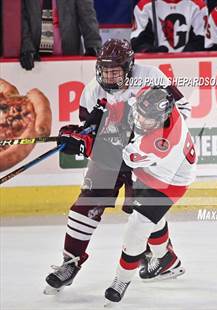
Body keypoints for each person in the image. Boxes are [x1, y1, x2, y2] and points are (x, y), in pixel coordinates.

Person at [43, 38, 191, 294]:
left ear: (129, 67)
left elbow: (183, 111)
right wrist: (82, 137)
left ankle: (163, 258)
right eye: (106, 71)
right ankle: (70, 263)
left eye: (116, 71)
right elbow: (90, 129)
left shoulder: (151, 77)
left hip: (146, 153)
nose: (110, 77)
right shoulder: (92, 90)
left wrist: (147, 134)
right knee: (86, 203)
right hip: (112, 155)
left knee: (144, 210)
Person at [104, 86, 197, 304]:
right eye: (140, 116)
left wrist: (88, 145)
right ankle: (167, 261)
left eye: (147, 120)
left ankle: (121, 280)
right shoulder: (156, 100)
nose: (141, 122)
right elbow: (166, 89)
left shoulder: (161, 142)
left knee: (137, 226)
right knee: (153, 220)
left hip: (169, 183)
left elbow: (123, 158)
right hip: (154, 170)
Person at [20, 0, 102, 71]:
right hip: (35, 59)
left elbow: (87, 13)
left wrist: (93, 45)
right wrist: (27, 47)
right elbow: (22, 15)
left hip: (70, 56)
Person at [131, 0, 208, 52]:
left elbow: (202, 41)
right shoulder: (144, 6)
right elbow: (137, 42)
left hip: (191, 64)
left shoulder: (198, 6)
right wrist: (150, 51)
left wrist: (182, 58)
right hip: (155, 65)